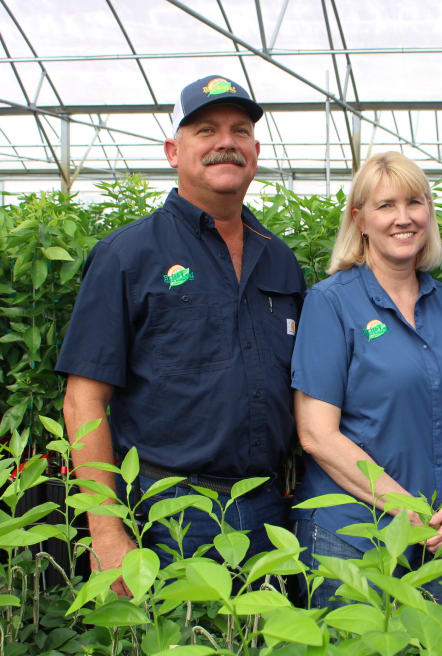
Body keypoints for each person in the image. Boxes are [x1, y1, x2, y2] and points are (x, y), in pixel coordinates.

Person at [56, 74, 305, 595]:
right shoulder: (127, 256)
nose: (226, 143)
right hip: (167, 507)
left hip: (265, 506)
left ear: (255, 151)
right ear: (173, 150)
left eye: (240, 131)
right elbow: (84, 400)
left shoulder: (278, 259)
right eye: (205, 130)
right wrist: (105, 529)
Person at [291, 151, 442, 608]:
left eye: (415, 202)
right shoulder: (332, 303)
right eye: (385, 206)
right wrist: (410, 510)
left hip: (440, 539)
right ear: (359, 219)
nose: (404, 218)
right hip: (356, 538)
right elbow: (316, 434)